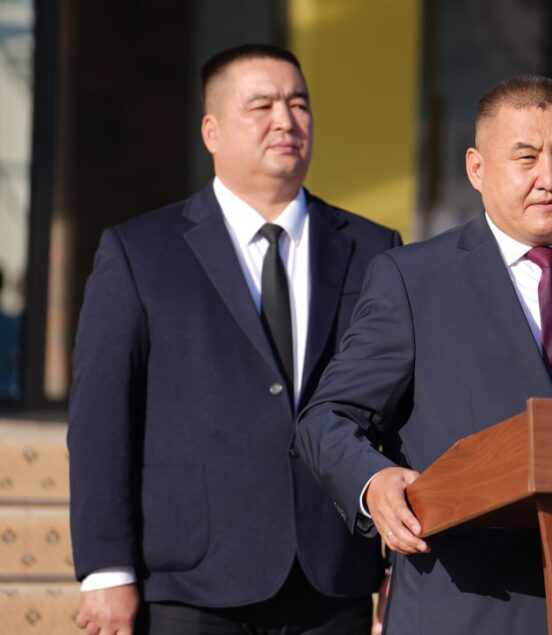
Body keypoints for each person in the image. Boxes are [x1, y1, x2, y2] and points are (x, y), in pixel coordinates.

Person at [294, 75, 552, 634]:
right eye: (526, 157)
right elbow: (327, 417)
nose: (549, 178)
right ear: (476, 168)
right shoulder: (413, 279)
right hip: (466, 604)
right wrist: (374, 482)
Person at [68, 44, 401, 634]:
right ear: (211, 131)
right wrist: (106, 569)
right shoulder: (140, 252)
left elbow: (400, 411)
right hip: (193, 581)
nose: (286, 120)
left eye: (299, 104)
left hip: (334, 575)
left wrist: (400, 563)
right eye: (262, 106)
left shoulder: (375, 249)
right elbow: (101, 419)